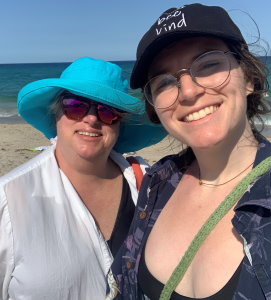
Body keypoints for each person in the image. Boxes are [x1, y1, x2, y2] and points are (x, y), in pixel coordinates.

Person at [107, 4, 271, 300]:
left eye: (209, 65)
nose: (187, 92)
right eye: (164, 82)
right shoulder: (157, 182)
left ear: (248, 78)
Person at [0, 57, 166, 300]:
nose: (92, 118)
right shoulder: (9, 198)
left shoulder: (147, 184)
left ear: (119, 125)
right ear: (56, 115)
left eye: (107, 111)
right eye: (75, 105)